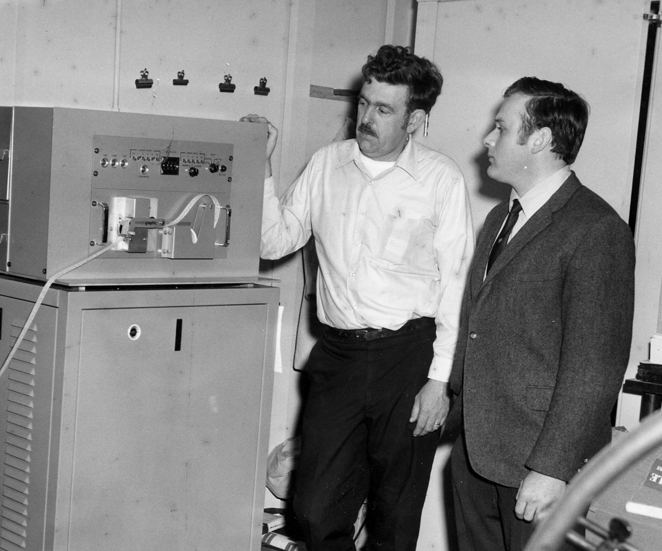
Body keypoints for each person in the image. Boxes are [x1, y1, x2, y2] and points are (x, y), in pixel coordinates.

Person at [242, 45, 474, 551]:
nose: (365, 118)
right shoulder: (327, 164)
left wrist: (439, 381)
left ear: (415, 118)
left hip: (408, 356)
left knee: (395, 511)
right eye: (364, 103)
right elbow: (274, 241)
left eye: (383, 109)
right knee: (314, 505)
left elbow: (458, 287)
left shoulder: (440, 180)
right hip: (340, 355)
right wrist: (261, 167)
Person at [448, 77, 635, 551]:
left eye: (501, 128)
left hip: (538, 467)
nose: (488, 140)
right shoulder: (499, 218)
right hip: (476, 457)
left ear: (541, 140)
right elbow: (479, 326)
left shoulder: (596, 230)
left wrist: (552, 468)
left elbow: (594, 368)